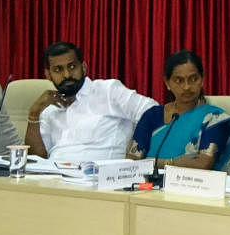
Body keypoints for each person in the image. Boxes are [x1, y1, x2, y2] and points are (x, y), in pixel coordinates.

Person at [26, 42, 158, 162]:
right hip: (53, 179)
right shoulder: (49, 108)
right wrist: (34, 114)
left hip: (97, 181)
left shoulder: (108, 91)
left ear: (83, 67)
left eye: (72, 66)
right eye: (58, 70)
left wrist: (133, 154)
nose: (66, 75)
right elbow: (36, 159)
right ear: (48, 75)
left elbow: (152, 111)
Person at [127, 50, 230, 170]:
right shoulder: (152, 115)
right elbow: (131, 163)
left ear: (202, 79)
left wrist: (150, 163)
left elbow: (204, 165)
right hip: (149, 186)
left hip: (191, 186)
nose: (186, 87)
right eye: (179, 80)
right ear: (167, 82)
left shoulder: (214, 118)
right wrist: (172, 162)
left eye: (193, 79)